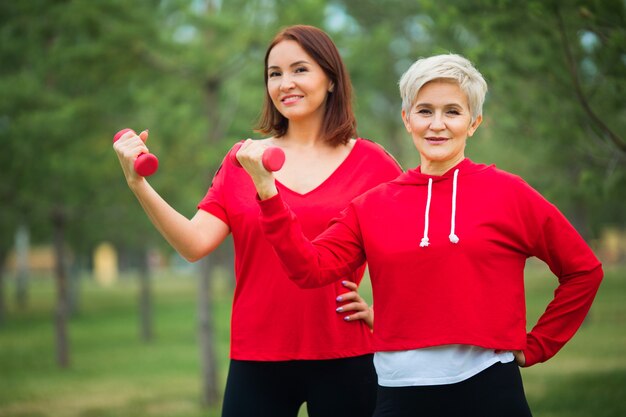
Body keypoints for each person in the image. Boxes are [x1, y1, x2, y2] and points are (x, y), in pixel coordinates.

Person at [238, 53, 604, 417]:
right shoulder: (370, 206)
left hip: (489, 388)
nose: (437, 125)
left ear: (474, 123)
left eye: (452, 112)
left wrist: (539, 345)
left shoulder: (509, 194)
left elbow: (583, 271)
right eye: (425, 111)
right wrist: (269, 194)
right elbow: (309, 269)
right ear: (407, 119)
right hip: (400, 395)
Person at [113, 25, 402, 417]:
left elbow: (412, 255)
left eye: (300, 69)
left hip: (345, 352)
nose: (286, 83)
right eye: (274, 73)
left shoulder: (373, 164)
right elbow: (194, 244)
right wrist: (138, 184)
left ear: (331, 79)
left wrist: (381, 313)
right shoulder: (243, 160)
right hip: (258, 356)